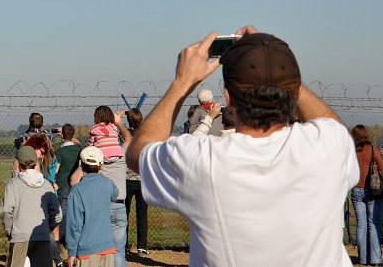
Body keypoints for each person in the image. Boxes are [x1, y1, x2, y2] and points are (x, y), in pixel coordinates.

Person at [126, 26, 359, 266]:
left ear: (227, 97)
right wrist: (277, 65)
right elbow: (335, 128)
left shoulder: (203, 161)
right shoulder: (328, 148)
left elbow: (138, 153)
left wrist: (183, 82)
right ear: (292, 89)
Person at [74, 111, 130, 267]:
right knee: (119, 251)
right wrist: (118, 122)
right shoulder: (122, 156)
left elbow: (75, 179)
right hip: (119, 205)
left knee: (101, 250)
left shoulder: (97, 162)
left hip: (101, 206)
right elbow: (128, 139)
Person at [0, 146, 61, 267]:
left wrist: (9, 230)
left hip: (19, 236)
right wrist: (47, 228)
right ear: (35, 162)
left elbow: (6, 210)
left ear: (19, 163)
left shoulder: (13, 184)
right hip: (42, 237)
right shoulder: (47, 185)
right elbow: (57, 214)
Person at [65, 147, 118, 267]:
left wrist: (72, 253)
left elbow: (74, 224)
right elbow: (115, 192)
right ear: (101, 166)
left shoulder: (77, 190)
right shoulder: (107, 184)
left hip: (86, 250)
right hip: (107, 247)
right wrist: (99, 172)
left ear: (80, 164)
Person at [24, 133, 63, 267]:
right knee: (51, 229)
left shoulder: (36, 159)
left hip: (41, 192)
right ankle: (57, 256)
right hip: (48, 191)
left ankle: (56, 258)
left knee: (44, 230)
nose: (41, 154)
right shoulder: (51, 159)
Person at [351, 125, 383, 266]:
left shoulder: (351, 151)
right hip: (373, 191)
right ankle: (375, 259)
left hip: (356, 189)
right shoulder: (372, 150)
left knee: (361, 225)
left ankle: (363, 259)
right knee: (373, 224)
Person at [123, 109, 148, 256]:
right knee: (142, 214)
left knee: (124, 214)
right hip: (142, 179)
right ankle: (142, 246)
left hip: (126, 178)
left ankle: (124, 245)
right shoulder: (145, 135)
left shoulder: (124, 135)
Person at [55, 124, 82, 251]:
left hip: (63, 184)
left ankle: (61, 240)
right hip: (77, 184)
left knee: (63, 214)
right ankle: (75, 239)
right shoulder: (79, 149)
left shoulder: (60, 151)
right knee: (77, 213)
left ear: (62, 136)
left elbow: (56, 169)